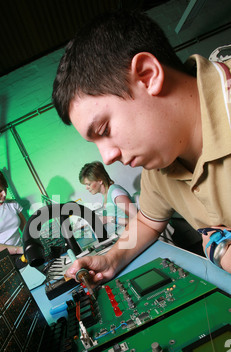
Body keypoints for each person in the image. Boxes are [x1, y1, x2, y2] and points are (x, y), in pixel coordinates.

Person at [52, 9, 231, 283]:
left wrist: (221, 254)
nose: (107, 157)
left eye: (105, 130)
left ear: (148, 75)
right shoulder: (161, 165)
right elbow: (147, 222)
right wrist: (111, 259)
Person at [79, 161, 136, 236]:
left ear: (100, 181)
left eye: (88, 184)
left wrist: (108, 219)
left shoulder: (116, 193)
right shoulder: (106, 195)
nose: (86, 188)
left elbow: (137, 219)